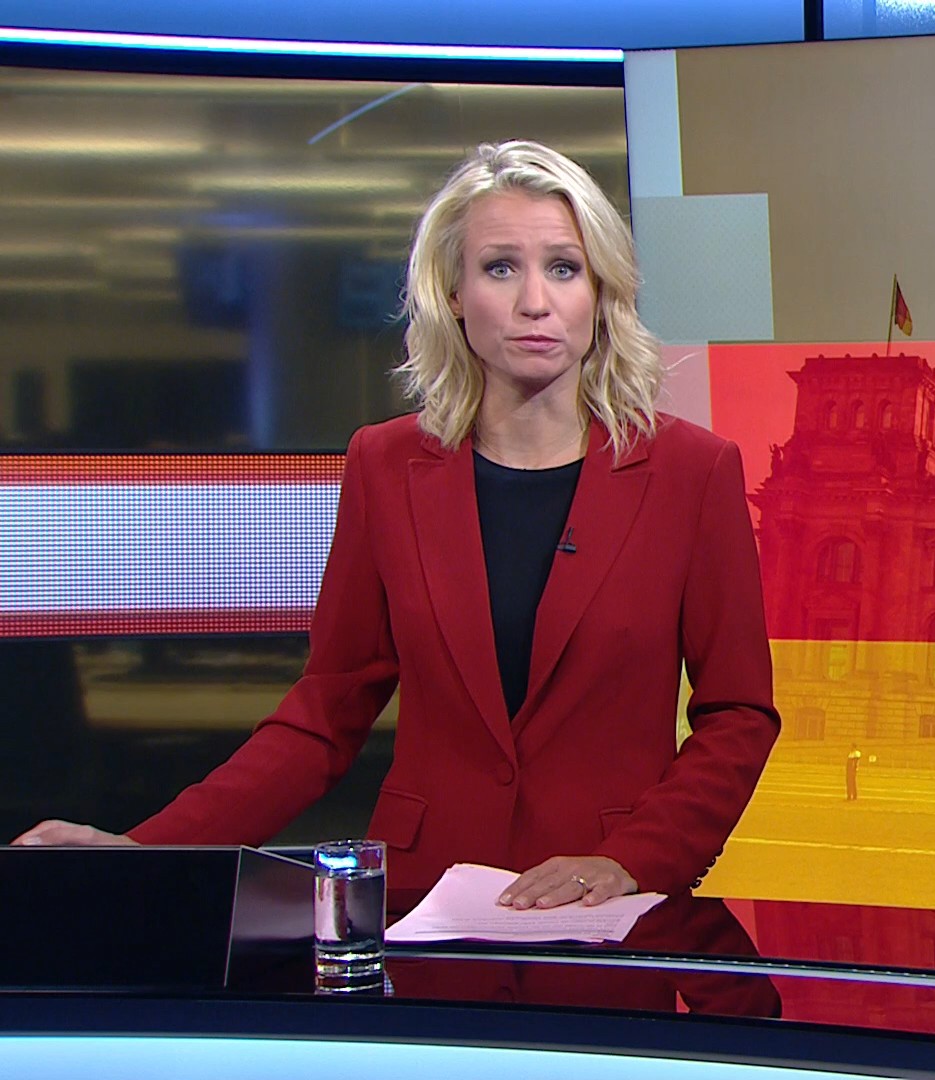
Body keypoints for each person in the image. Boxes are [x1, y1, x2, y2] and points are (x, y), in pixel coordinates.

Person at [11, 142, 780, 913]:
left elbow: (737, 715)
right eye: (500, 268)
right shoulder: (385, 465)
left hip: (610, 901)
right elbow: (326, 713)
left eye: (564, 268)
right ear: (453, 293)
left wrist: (631, 860)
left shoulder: (692, 472)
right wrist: (149, 850)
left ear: (601, 291)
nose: (535, 302)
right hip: (423, 896)